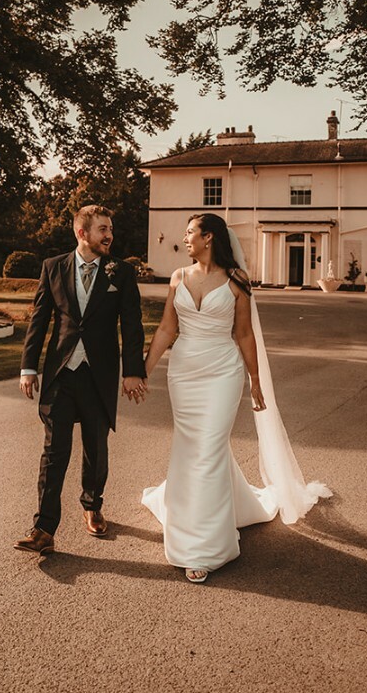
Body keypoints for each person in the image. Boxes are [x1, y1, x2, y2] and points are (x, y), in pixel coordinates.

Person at [142, 213, 331, 583]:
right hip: (184, 373)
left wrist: (255, 381)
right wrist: (142, 371)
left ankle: (206, 547)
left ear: (209, 237)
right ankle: (192, 516)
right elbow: (167, 327)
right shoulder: (179, 277)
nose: (185, 237)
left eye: (190, 232)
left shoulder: (236, 280)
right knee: (189, 447)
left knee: (209, 447)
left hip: (221, 372)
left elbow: (244, 335)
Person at [15, 204, 147, 555]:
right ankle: (43, 528)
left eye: (111, 229)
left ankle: (92, 504)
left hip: (98, 376)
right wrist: (29, 367)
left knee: (96, 448)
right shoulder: (53, 267)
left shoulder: (121, 273)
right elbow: (39, 320)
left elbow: (132, 326)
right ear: (82, 232)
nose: (110, 235)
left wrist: (133, 371)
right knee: (54, 452)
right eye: (103, 229)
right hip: (61, 375)